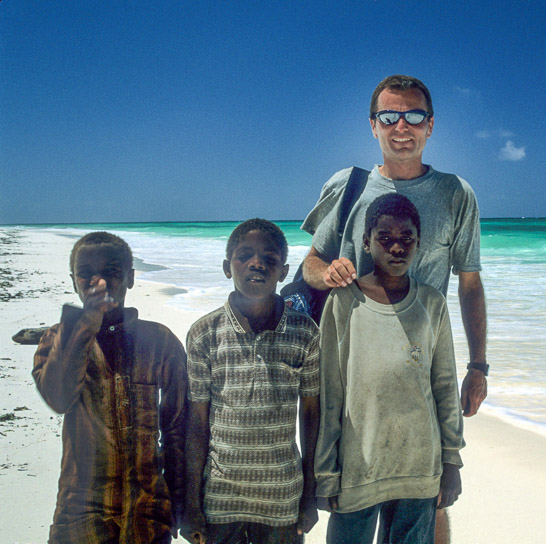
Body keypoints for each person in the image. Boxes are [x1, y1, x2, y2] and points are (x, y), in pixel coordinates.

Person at [300, 74, 488, 542]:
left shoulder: (456, 194)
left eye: (414, 116)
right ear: (373, 125)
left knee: (431, 503)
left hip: (423, 364)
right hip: (357, 369)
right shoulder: (349, 186)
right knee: (357, 503)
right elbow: (309, 263)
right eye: (390, 116)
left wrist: (478, 365)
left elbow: (469, 282)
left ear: (430, 127)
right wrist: (328, 274)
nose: (401, 126)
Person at [316, 193, 464, 544]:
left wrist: (452, 461)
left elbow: (445, 385)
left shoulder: (431, 303)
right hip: (358, 469)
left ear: (419, 243)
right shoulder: (343, 302)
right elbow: (330, 393)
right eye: (385, 238)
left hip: (419, 469)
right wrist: (326, 471)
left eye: (406, 239)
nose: (396, 247)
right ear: (366, 243)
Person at [32, 231, 188, 543]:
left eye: (111, 272)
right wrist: (86, 322)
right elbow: (58, 398)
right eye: (86, 274)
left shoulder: (159, 340)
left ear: (130, 278)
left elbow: (178, 429)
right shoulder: (57, 339)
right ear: (73, 280)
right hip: (80, 507)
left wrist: (183, 503)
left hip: (147, 506)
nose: (98, 283)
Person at [183, 219, 320, 544]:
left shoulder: (305, 333)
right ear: (227, 267)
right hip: (219, 500)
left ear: (284, 271)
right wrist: (190, 503)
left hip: (283, 500)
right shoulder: (205, 333)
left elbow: (311, 417)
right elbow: (197, 422)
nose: (257, 263)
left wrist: (310, 494)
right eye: (245, 255)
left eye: (269, 257)